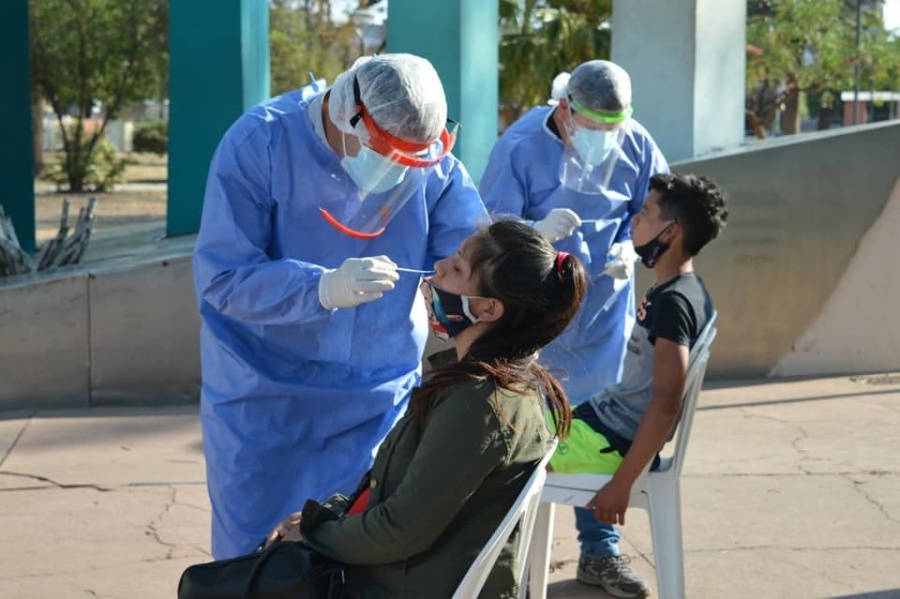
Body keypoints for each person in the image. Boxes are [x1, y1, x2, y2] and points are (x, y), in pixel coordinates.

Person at [192, 53, 489, 560]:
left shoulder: (431, 165)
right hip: (264, 404)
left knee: (358, 561)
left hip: (375, 402)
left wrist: (512, 256)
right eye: (387, 153)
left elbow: (470, 264)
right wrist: (320, 290)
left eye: (411, 160)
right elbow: (222, 279)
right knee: (254, 566)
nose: (398, 171)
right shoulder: (259, 144)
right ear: (346, 114)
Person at [265, 220, 587, 598]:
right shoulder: (502, 384)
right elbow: (401, 499)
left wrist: (316, 534)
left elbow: (399, 530)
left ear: (487, 309)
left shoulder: (479, 403)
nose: (438, 267)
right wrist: (326, 518)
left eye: (458, 268)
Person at [479, 59, 669, 596]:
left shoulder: (636, 142)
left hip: (605, 315)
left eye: (615, 128)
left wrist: (632, 249)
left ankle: (600, 555)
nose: (606, 139)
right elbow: (487, 237)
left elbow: (657, 207)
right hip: (538, 319)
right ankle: (505, 565)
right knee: (520, 442)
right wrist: (532, 233)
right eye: (594, 127)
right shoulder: (519, 146)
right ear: (564, 110)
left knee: (597, 440)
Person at [550, 172, 729, 598]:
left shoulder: (675, 304)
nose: (635, 219)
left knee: (506, 457)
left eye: (646, 212)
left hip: (612, 441)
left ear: (671, 231)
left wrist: (622, 483)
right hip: (603, 421)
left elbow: (667, 403)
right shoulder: (681, 288)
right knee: (511, 426)